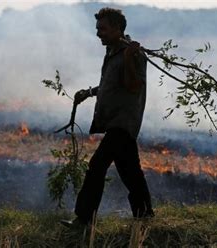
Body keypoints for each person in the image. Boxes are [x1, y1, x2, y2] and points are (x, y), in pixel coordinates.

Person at [60, 7, 154, 228]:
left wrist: (130, 58)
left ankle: (84, 219)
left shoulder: (134, 54)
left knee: (96, 166)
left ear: (117, 29)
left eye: (102, 29)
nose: (98, 33)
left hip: (123, 122)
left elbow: (134, 86)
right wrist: (88, 93)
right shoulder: (113, 51)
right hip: (115, 122)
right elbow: (110, 84)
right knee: (130, 170)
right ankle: (144, 213)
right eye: (97, 29)